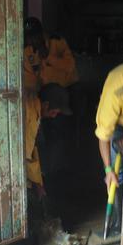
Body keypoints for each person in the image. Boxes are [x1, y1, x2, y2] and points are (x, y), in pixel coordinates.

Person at [23, 17, 78, 215]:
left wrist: (48, 58)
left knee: (61, 142)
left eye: (35, 37)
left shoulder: (56, 43)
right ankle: (47, 180)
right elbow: (29, 152)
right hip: (41, 101)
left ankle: (58, 177)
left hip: (61, 95)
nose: (32, 42)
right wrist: (38, 182)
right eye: (29, 39)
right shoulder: (27, 51)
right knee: (40, 144)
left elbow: (70, 66)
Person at [95, 62, 123, 234]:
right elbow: (103, 138)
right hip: (118, 125)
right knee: (117, 176)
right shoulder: (115, 95)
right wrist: (109, 169)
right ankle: (118, 222)